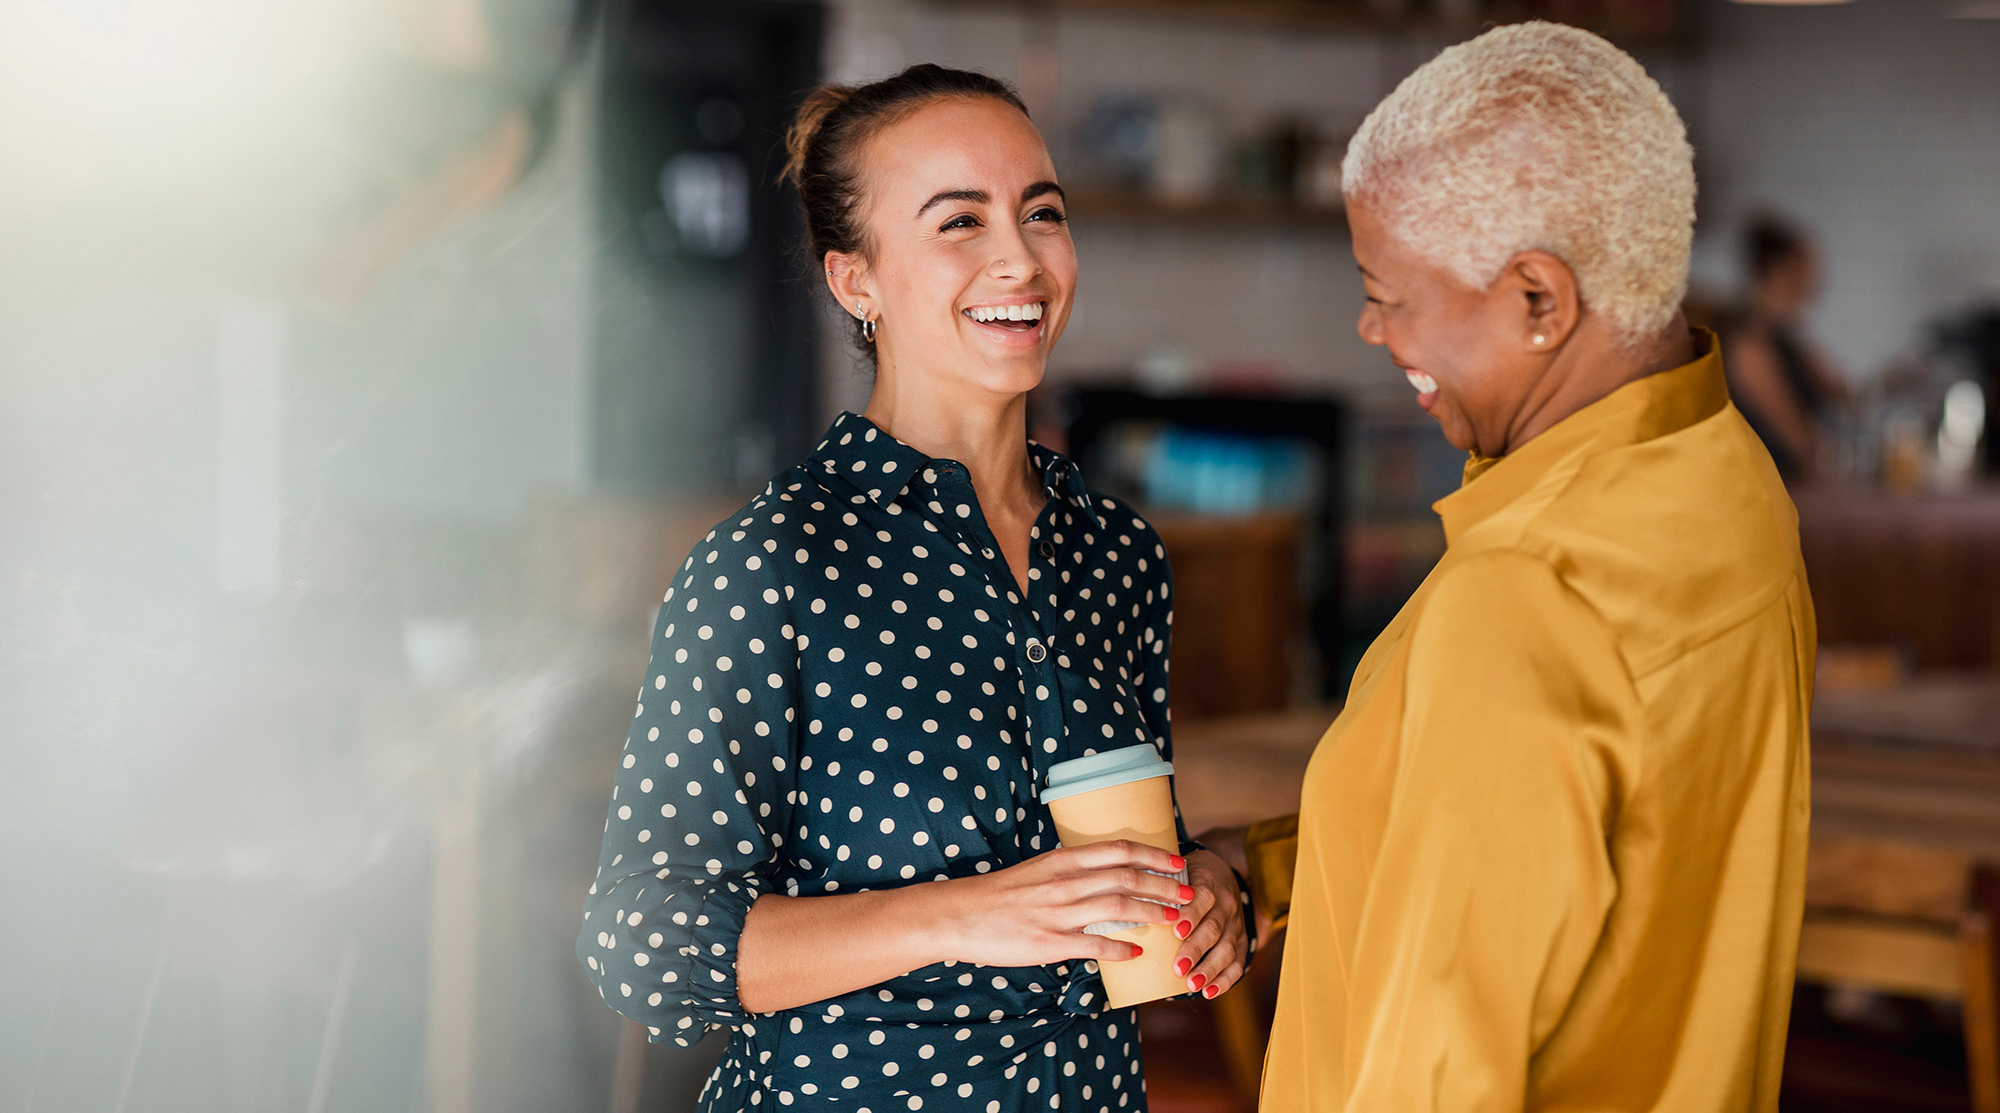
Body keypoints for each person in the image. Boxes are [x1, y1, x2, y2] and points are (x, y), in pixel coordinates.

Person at [575, 64, 1250, 1112]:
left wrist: (1213, 881)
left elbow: (1124, 850)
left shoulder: (1117, 554)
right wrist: (963, 915)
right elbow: (643, 945)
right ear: (856, 281)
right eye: (958, 222)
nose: (1018, 259)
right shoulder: (773, 564)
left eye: (1042, 213)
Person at [1203, 23, 1814, 1111]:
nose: (1369, 327)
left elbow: (1435, 1075)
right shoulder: (1724, 480)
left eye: (1387, 291)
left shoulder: (1526, 592)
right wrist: (1279, 868)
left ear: (1537, 299)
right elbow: (1577, 840)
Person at [1725, 214, 1852, 480]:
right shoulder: (1750, 346)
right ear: (1776, 272)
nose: (1814, 283)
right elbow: (1799, 440)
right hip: (1767, 492)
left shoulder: (1789, 340)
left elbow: (1848, 396)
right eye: (1804, 271)